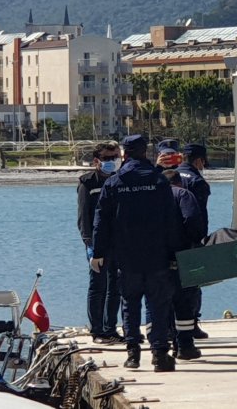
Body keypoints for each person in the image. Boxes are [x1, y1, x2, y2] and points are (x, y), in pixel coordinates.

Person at [92, 134, 177, 372]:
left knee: (129, 304)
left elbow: (102, 221)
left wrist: (98, 252)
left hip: (127, 256)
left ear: (124, 155)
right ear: (146, 152)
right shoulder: (159, 181)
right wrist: (175, 253)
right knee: (158, 303)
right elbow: (172, 220)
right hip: (157, 255)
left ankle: (133, 354)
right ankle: (160, 354)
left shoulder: (114, 183)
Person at [77, 141, 124, 344]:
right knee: (98, 286)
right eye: (107, 158)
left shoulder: (121, 180)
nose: (112, 161)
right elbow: (83, 218)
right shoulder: (87, 183)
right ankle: (96, 330)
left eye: (115, 157)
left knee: (116, 287)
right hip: (97, 243)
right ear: (96, 161)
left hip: (119, 241)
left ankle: (110, 328)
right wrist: (90, 246)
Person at [162, 169, 207, 360]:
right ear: (179, 182)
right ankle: (185, 346)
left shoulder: (153, 196)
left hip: (157, 258)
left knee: (161, 303)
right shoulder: (184, 195)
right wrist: (195, 241)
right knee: (184, 302)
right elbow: (192, 220)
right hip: (182, 256)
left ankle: (163, 345)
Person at [176, 143, 211, 339]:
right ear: (199, 160)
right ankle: (192, 323)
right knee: (193, 284)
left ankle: (173, 324)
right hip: (191, 241)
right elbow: (198, 215)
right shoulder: (198, 181)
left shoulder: (169, 175)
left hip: (170, 241)